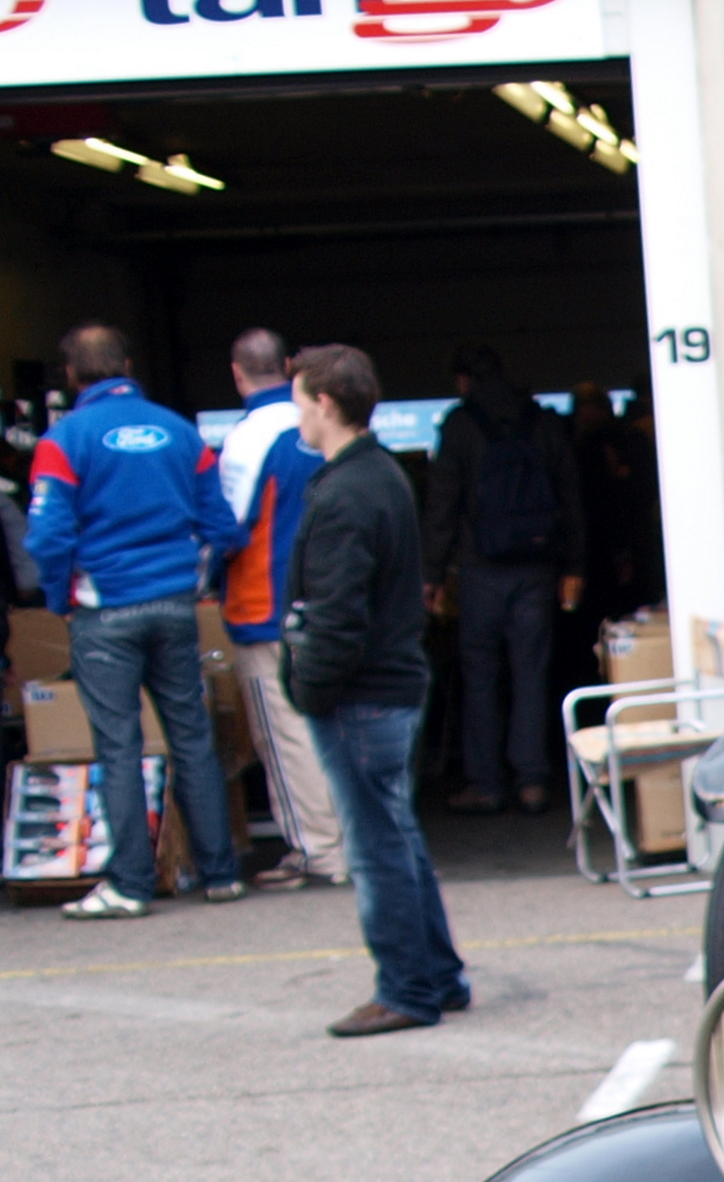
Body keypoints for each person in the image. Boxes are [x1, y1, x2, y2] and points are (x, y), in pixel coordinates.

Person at [25, 322, 245, 917]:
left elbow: (46, 537)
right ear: (127, 365)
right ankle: (221, 873)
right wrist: (195, 578)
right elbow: (223, 527)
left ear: (71, 377)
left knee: (118, 747)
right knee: (192, 737)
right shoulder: (180, 432)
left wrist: (58, 597)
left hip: (104, 613)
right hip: (175, 606)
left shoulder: (64, 440)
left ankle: (130, 884)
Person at [284, 343, 469, 1036]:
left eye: (301, 402)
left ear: (326, 403)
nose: (297, 416)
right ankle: (438, 976)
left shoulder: (344, 494)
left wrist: (308, 688)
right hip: (391, 684)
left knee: (376, 847)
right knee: (398, 833)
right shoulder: (382, 475)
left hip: (361, 695)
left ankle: (406, 989)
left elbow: (337, 613)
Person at [422, 343, 584, 814]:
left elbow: (442, 503)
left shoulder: (459, 425)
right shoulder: (543, 422)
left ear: (462, 381)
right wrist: (574, 564)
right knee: (531, 672)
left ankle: (486, 783)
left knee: (480, 676)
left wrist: (432, 572)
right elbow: (569, 494)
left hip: (480, 569)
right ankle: (533, 780)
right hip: (537, 568)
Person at [215, 327, 345, 890]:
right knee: (335, 725)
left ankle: (317, 851)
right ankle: (353, 842)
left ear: (237, 374)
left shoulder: (246, 439)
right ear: (290, 365)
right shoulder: (329, 423)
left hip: (265, 607)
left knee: (285, 733)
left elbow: (224, 527)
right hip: (333, 600)